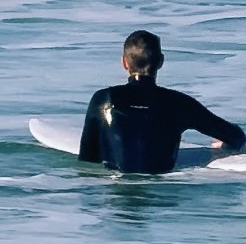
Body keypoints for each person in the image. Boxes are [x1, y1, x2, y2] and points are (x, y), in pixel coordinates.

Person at [79, 29, 245, 173]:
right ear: (161, 62)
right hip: (162, 193)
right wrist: (225, 143)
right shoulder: (180, 103)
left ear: (124, 62)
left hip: (116, 188)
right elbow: (236, 136)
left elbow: (87, 159)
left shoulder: (103, 100)